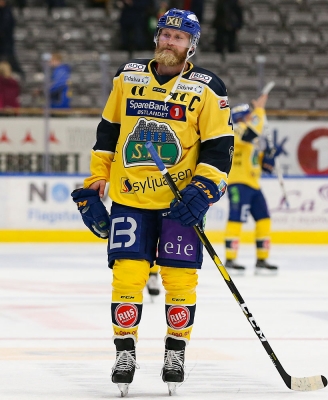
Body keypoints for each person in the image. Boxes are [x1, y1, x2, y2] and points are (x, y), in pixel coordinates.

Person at [71, 8, 234, 396]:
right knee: (127, 274)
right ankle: (124, 352)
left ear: (190, 44)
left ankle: (175, 351)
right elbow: (108, 132)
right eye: (164, 34)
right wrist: (97, 181)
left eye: (178, 38)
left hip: (180, 200)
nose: (168, 42)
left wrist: (205, 190)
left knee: (179, 278)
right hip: (130, 198)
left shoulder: (208, 87)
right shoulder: (127, 77)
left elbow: (220, 147)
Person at [224, 95, 282, 275]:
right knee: (236, 219)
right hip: (238, 183)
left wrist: (268, 157)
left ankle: (262, 260)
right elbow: (253, 132)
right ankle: (230, 259)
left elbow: (255, 160)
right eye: (249, 115)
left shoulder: (249, 135)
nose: (251, 117)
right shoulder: (235, 130)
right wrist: (260, 110)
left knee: (264, 219)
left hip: (253, 184)